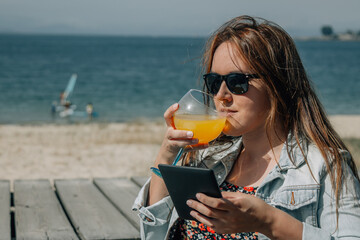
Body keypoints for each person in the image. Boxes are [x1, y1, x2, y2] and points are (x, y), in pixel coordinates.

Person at [133, 15, 360, 239]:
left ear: (276, 84)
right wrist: (167, 152)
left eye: (236, 82)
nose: (221, 96)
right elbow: (154, 234)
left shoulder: (325, 167)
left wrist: (268, 222)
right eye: (214, 82)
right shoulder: (206, 158)